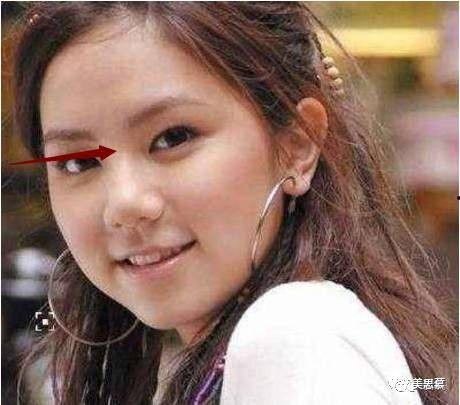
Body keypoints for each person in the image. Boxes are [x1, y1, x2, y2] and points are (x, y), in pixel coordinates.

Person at [11, 2, 457, 405]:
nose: (124, 204)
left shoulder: (293, 336)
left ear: (297, 145)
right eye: (79, 162)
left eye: (173, 138)